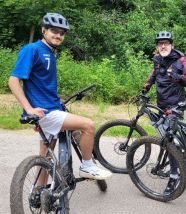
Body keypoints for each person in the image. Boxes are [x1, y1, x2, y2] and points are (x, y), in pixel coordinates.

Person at [8, 13, 112, 184]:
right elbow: (13, 81)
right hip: (45, 112)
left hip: (51, 108)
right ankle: (87, 165)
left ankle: (39, 192)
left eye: (62, 33)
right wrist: (29, 109)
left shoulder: (49, 52)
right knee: (88, 125)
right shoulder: (32, 50)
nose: (58, 36)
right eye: (54, 31)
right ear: (44, 30)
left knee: (45, 157)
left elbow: (41, 85)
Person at [143, 31, 186, 192]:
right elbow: (153, 76)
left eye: (166, 43)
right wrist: (144, 89)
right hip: (161, 105)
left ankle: (175, 176)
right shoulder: (158, 60)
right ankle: (177, 159)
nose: (163, 46)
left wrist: (179, 78)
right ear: (157, 46)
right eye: (160, 43)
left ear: (172, 45)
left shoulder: (180, 60)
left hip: (176, 106)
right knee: (165, 137)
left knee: (168, 140)